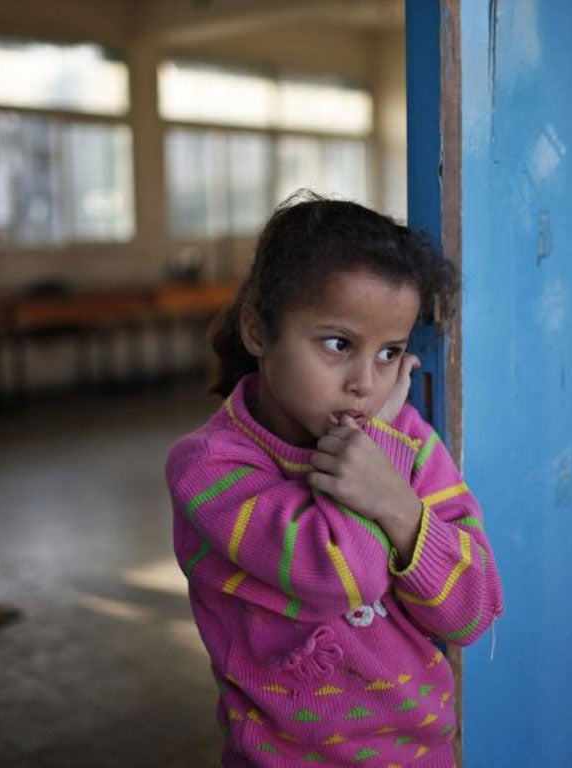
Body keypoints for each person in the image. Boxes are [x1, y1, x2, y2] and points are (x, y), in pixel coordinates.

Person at [166, 193, 504, 767]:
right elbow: (344, 576)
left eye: (390, 352)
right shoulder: (211, 469)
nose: (366, 384)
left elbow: (473, 611)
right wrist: (379, 454)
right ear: (257, 329)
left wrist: (399, 505)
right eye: (338, 344)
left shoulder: (409, 448)